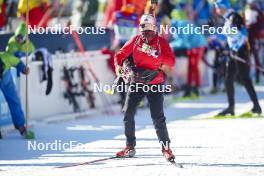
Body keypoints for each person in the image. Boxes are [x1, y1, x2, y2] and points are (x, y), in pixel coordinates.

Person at [114, 13, 176, 161]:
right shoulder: (135, 41)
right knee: (128, 113)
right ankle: (130, 146)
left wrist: (157, 55)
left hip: (154, 82)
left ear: (154, 28)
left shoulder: (161, 42)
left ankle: (166, 148)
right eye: (142, 26)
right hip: (137, 82)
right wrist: (119, 67)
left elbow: (171, 61)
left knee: (157, 117)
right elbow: (120, 55)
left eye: (148, 27)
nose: (144, 30)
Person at [215, 0, 262, 116]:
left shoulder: (234, 16)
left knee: (245, 79)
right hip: (234, 52)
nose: (217, 10)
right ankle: (231, 107)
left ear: (224, 7)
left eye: (218, 7)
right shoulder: (227, 18)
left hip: (240, 51)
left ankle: (256, 106)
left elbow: (243, 34)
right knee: (228, 78)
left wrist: (236, 47)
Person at [0, 52, 34, 139]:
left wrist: (23, 69)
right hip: (5, 76)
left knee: (14, 101)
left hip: (5, 78)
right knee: (14, 101)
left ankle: (21, 126)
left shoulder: (5, 57)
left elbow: (17, 62)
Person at [244, 0, 264, 83]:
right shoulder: (246, 11)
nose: (251, 5)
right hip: (248, 39)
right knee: (247, 58)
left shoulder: (259, 13)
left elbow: (260, 26)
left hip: (255, 39)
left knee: (256, 58)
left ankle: (257, 77)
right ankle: (246, 76)